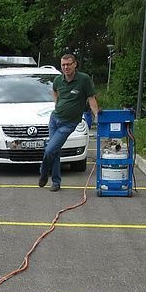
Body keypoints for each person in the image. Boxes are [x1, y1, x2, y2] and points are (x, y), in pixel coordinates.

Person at [40, 53, 99, 192]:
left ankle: (43, 172)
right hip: (54, 120)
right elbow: (54, 91)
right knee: (54, 151)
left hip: (69, 124)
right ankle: (56, 182)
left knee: (50, 149)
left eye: (68, 64)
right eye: (63, 65)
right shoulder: (58, 80)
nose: (65, 67)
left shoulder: (84, 79)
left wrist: (97, 115)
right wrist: (57, 104)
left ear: (75, 64)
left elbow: (91, 98)